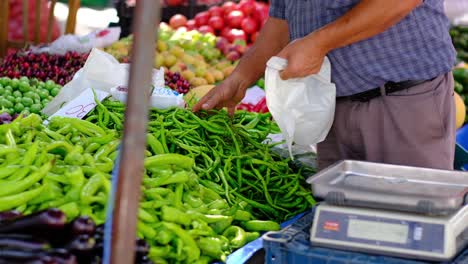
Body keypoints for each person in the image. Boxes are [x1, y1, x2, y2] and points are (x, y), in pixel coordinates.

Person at [193, 0, 457, 170]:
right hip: (332, 109)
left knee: (410, 228)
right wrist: (240, 78)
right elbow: (282, 20)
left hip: (401, 102)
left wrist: (318, 43)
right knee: (338, 232)